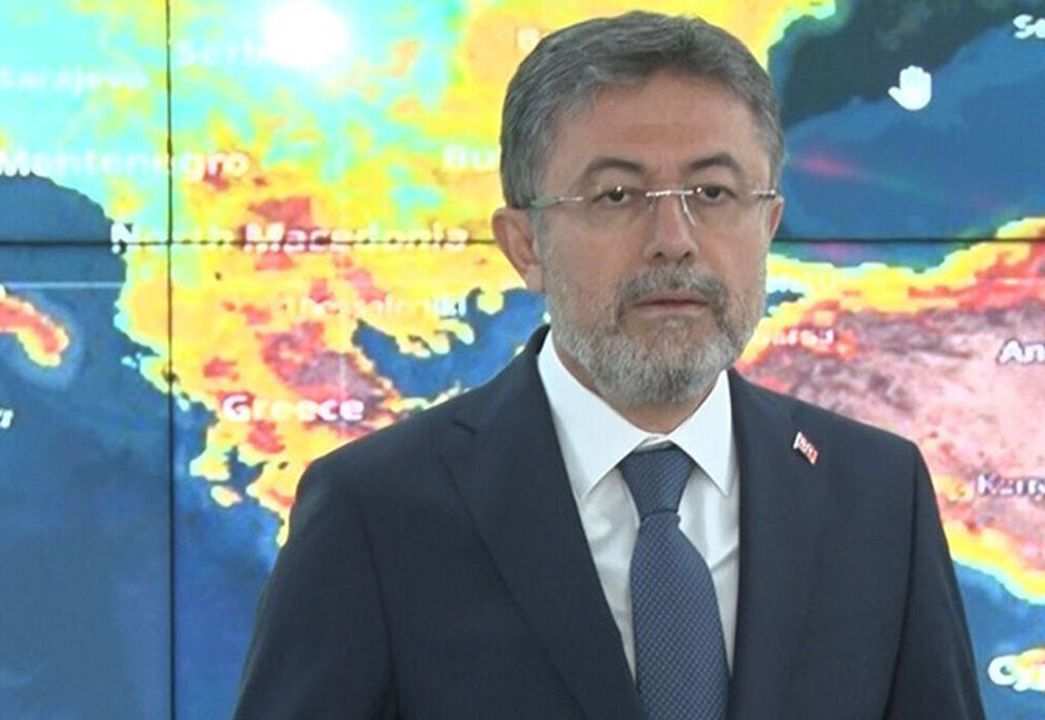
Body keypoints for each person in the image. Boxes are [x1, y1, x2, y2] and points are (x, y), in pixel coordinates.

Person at [232, 11, 985, 720]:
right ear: (525, 244)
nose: (674, 239)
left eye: (713, 192)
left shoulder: (879, 495)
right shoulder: (374, 511)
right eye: (617, 194)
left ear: (767, 223)